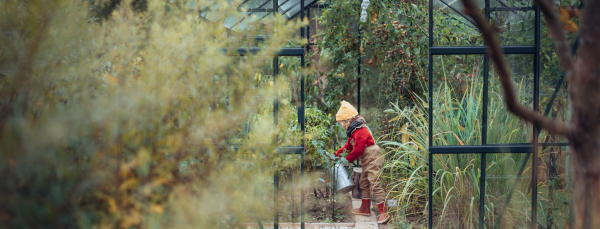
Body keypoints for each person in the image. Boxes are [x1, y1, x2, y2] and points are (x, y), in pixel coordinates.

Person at [334, 100, 389, 224]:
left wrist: (347, 161)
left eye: (341, 122)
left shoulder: (360, 130)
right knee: (363, 182)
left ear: (347, 120)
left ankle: (384, 212)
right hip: (366, 159)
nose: (341, 125)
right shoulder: (353, 132)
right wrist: (335, 155)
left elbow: (358, 150)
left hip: (373, 156)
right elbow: (347, 148)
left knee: (374, 182)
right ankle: (365, 208)